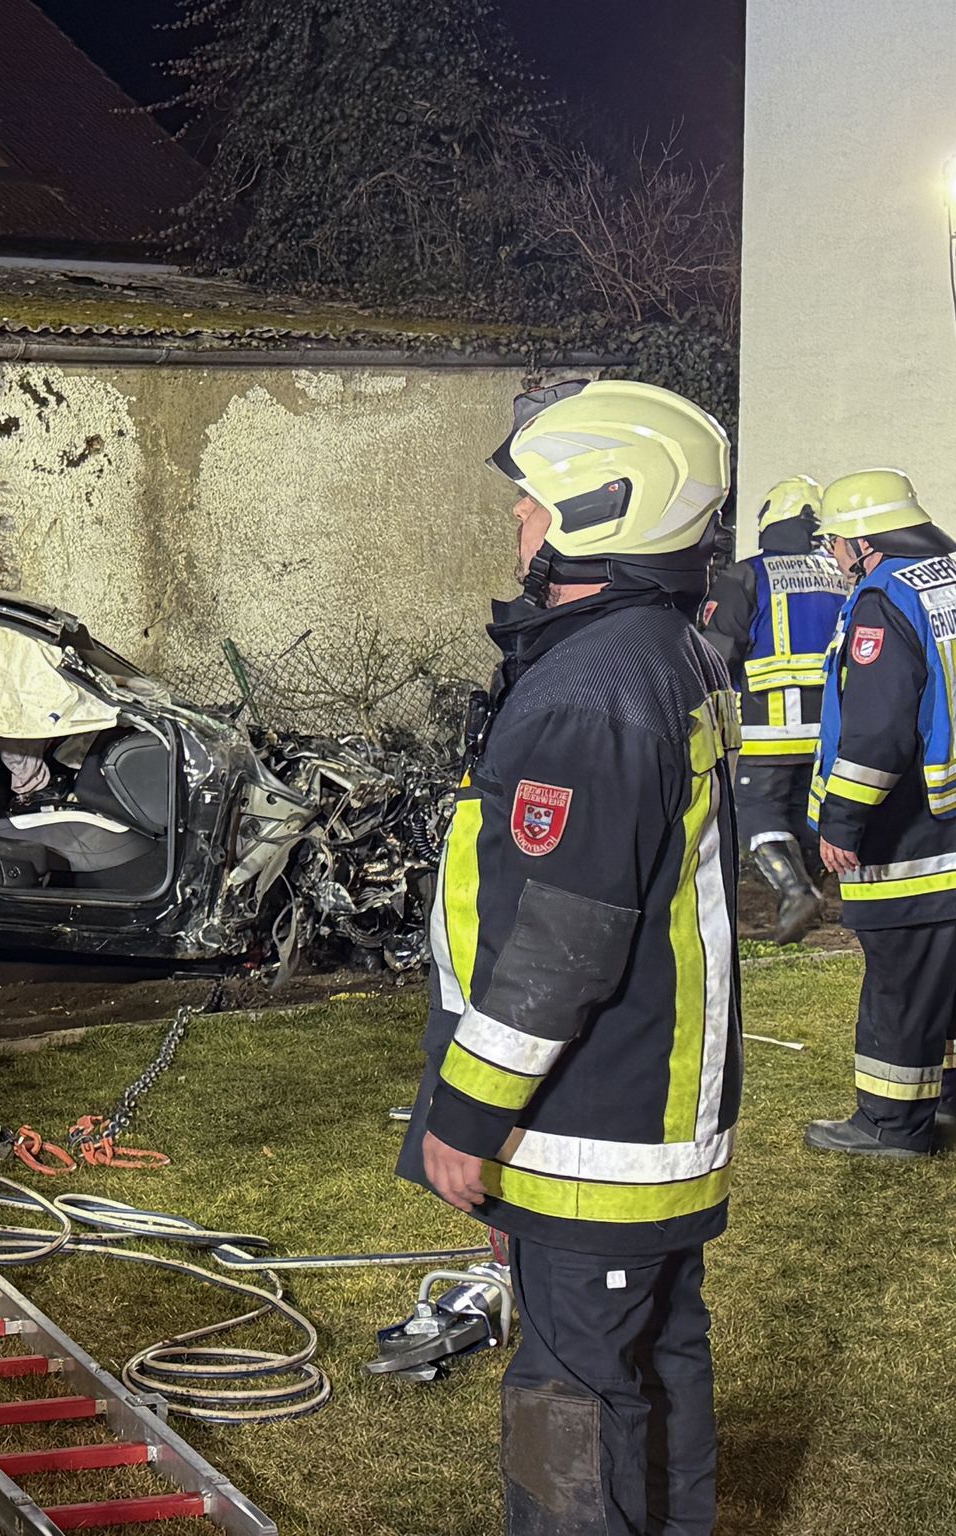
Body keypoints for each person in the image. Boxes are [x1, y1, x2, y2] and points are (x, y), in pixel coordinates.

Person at [398, 379, 740, 1536]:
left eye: (531, 502)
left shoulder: (589, 694)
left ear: (600, 511)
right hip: (641, 1123)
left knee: (566, 1405)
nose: (516, 521)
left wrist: (465, 1118)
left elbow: (557, 948)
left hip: (592, 1123)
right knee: (655, 1372)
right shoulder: (651, 654)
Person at [805, 468, 956, 1157]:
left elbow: (877, 732)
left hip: (909, 830)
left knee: (900, 974)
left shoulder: (882, 600)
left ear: (864, 540)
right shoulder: (946, 581)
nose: (833, 557)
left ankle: (890, 1124)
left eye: (835, 542)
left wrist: (842, 821)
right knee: (945, 971)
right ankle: (949, 1100)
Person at [700, 475, 851, 942]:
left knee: (758, 813)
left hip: (769, 731)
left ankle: (795, 893)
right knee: (807, 816)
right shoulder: (843, 576)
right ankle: (810, 901)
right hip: (830, 735)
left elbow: (714, 653)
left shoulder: (746, 576)